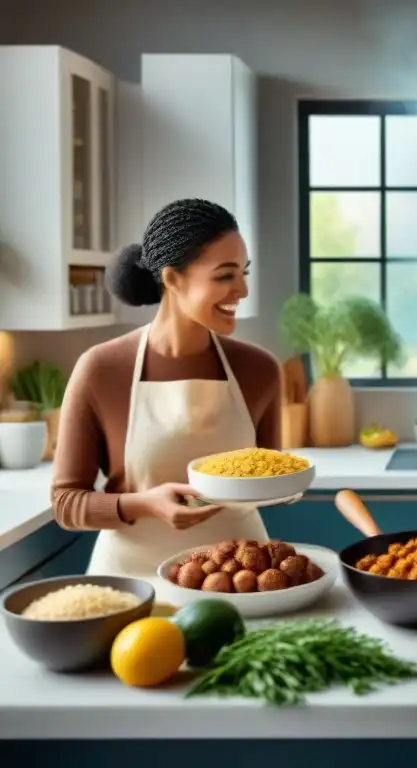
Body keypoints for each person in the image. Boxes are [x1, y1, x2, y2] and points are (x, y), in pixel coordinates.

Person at [50, 198, 283, 591]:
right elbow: (66, 503)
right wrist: (144, 504)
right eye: (225, 275)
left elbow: (270, 478)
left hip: (241, 583)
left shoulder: (260, 371)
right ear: (172, 278)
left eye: (243, 273)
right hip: (129, 584)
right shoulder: (102, 369)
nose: (241, 289)